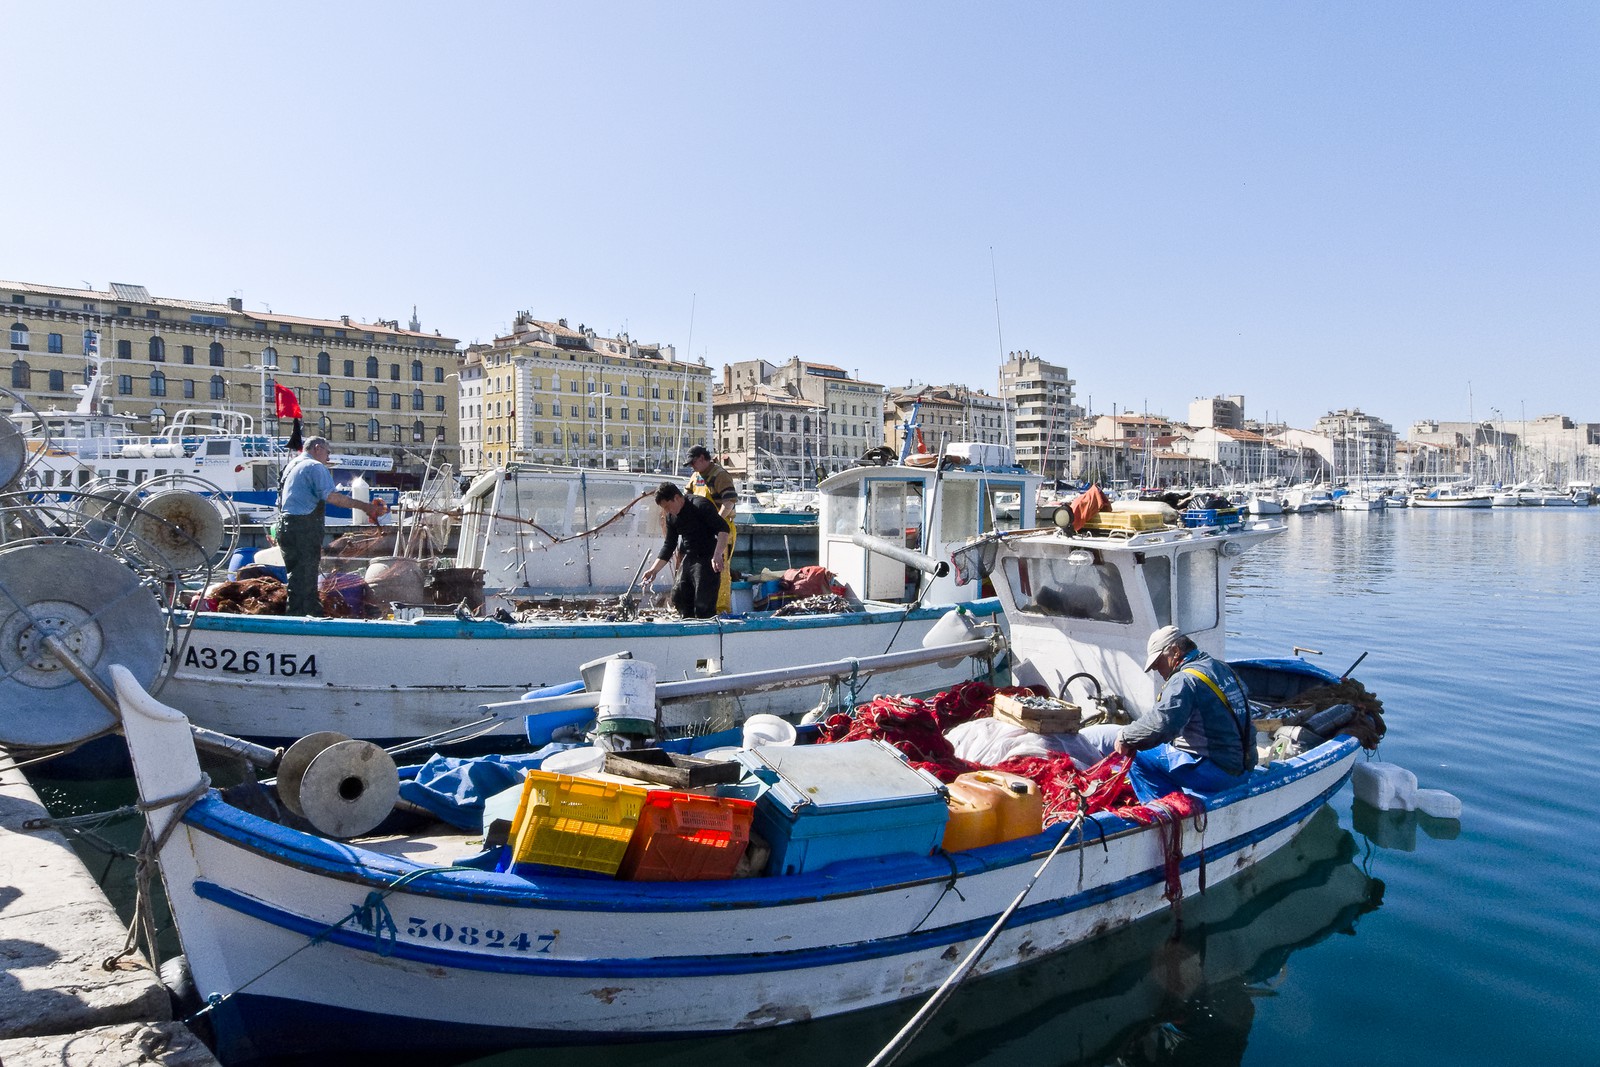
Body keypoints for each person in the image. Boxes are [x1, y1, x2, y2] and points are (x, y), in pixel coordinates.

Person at [1113, 625, 1257, 800]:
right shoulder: (1221, 667)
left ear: (1175, 651)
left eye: (1158, 663)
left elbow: (1162, 725)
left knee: (1138, 755)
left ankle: (1166, 812)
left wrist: (1125, 736)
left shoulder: (1185, 680)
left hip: (1220, 774)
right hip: (1244, 768)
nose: (1158, 670)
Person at [277, 437, 388, 615]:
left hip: (285, 527)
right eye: (328, 452)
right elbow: (333, 498)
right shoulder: (315, 467)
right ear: (318, 448)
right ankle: (304, 621)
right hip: (302, 528)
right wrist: (366, 507)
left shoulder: (292, 465)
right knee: (305, 577)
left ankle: (298, 615)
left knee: (296, 577)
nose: (328, 458)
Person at [640, 482, 730, 619]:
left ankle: (706, 628)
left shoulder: (700, 505)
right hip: (690, 556)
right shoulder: (671, 516)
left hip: (708, 557)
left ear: (676, 497)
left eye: (667, 506)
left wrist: (718, 554)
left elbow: (723, 529)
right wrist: (653, 570)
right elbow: (669, 545)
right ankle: (687, 623)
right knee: (679, 596)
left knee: (702, 603)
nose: (667, 510)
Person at [685, 444, 739, 613]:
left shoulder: (720, 475)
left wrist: (715, 523)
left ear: (702, 458)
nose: (692, 467)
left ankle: (721, 610)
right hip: (703, 532)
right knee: (703, 569)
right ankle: (704, 607)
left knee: (720, 571)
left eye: (693, 462)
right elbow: (686, 499)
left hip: (722, 529)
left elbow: (729, 502)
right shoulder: (696, 476)